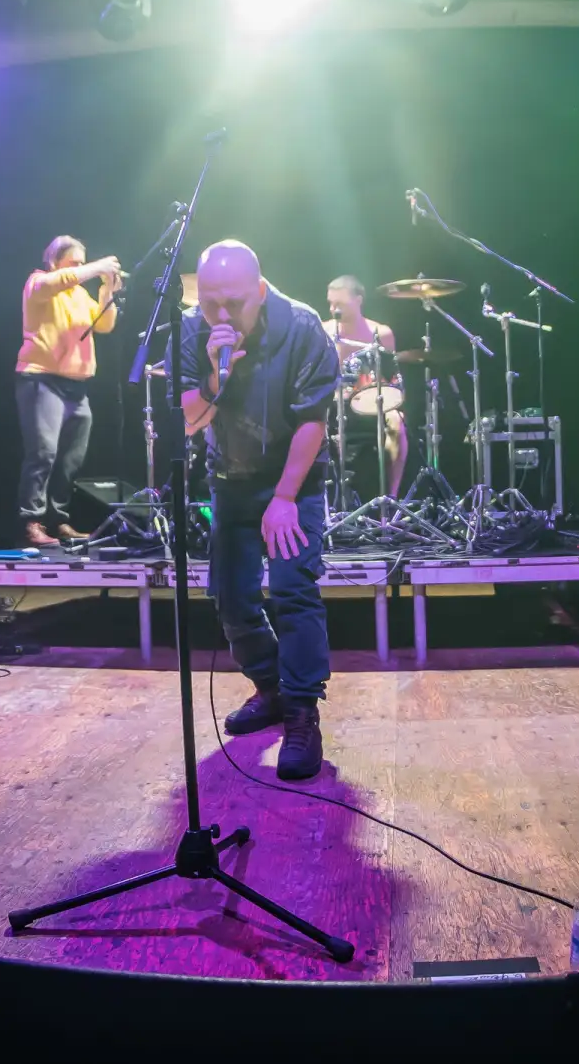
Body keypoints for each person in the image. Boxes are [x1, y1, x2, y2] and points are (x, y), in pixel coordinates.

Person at [178, 241, 339, 781]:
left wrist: (285, 499)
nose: (222, 314)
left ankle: (302, 711)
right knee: (229, 596)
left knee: (292, 588)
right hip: (230, 478)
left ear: (261, 290)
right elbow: (191, 420)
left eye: (235, 302)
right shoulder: (191, 330)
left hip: (294, 480)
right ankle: (271, 688)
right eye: (210, 303)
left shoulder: (301, 326)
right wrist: (215, 377)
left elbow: (313, 421)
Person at [16, 235, 121, 548]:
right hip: (42, 379)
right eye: (74, 263)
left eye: (82, 263)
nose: (80, 269)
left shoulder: (79, 295)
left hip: (76, 386)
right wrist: (97, 267)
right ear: (54, 262)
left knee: (71, 459)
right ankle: (31, 521)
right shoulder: (38, 283)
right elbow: (60, 281)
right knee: (43, 453)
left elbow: (104, 324)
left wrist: (106, 291)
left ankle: (58, 519)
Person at [322, 275, 408, 500]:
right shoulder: (323, 331)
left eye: (340, 304)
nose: (333, 309)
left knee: (397, 423)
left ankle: (390, 498)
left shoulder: (380, 333)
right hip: (333, 405)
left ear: (358, 300)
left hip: (371, 403)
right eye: (331, 303)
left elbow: (390, 381)